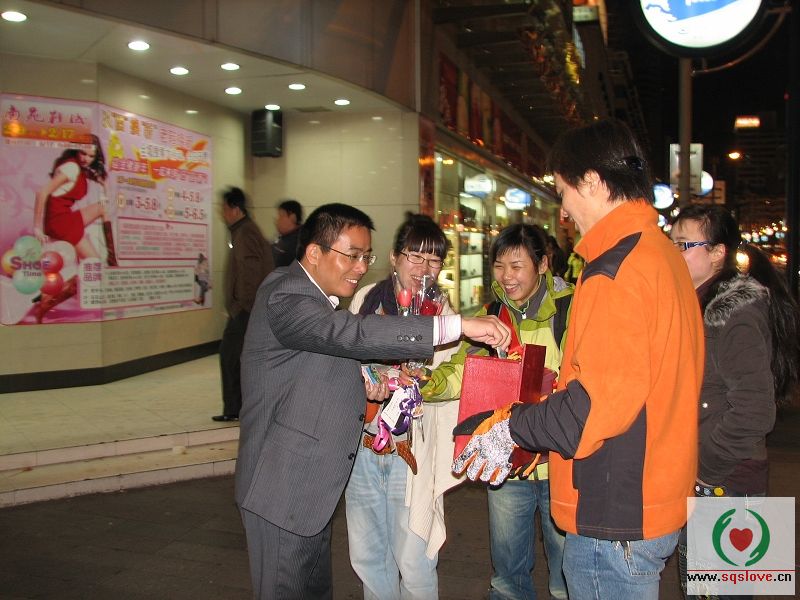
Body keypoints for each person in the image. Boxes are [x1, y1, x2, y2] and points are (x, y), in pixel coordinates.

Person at [452, 118, 705, 600]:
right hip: (650, 495)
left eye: (563, 191)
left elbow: (593, 406)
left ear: (591, 181)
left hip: (614, 509)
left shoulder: (615, 272)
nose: (563, 208)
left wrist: (509, 427)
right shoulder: (660, 254)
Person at [234, 203, 511, 600]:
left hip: (310, 489)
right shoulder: (286, 293)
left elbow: (321, 360)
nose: (361, 267)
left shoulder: (320, 299)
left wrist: (369, 376)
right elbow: (351, 334)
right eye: (352, 255)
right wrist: (460, 325)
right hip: (282, 488)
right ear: (314, 252)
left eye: (366, 256)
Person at [423, 223, 573, 600]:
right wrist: (424, 384)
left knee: (568, 576)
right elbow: (463, 370)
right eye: (500, 265)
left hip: (561, 462)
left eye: (517, 266)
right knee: (507, 575)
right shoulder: (491, 315)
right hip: (505, 460)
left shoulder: (572, 308)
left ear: (543, 264)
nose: (507, 276)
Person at [670, 206, 800, 600]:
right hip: (715, 477)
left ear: (716, 252)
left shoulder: (734, 313)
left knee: (717, 592)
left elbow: (756, 410)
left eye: (684, 245)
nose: (673, 252)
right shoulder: (696, 302)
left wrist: (706, 470)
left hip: (726, 482)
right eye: (671, 243)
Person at [345, 214, 460, 600]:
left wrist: (422, 381)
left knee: (414, 559)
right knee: (368, 556)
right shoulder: (367, 298)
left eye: (434, 260)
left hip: (410, 451)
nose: (424, 268)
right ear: (395, 257)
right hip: (364, 444)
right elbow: (350, 356)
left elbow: (446, 378)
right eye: (415, 256)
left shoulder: (444, 315)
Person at [31, 134, 116, 322]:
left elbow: (103, 190)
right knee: (92, 265)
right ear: (76, 150)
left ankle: (112, 257)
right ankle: (46, 302)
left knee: (102, 209)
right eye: (82, 153)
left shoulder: (79, 168)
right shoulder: (71, 168)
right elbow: (42, 192)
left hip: (63, 218)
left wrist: (104, 185)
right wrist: (37, 227)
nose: (86, 159)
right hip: (60, 222)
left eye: (91, 156)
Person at [213, 186, 274, 423]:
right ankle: (238, 407)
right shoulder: (242, 231)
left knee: (230, 356)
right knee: (237, 358)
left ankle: (235, 408)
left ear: (235, 209)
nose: (222, 213)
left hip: (247, 310)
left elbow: (250, 274)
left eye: (224, 208)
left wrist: (242, 306)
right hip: (247, 309)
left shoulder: (245, 233)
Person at [272, 198, 303, 267]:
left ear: (292, 217)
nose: (277, 220)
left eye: (281, 216)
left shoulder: (299, 243)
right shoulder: (283, 238)